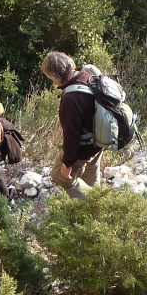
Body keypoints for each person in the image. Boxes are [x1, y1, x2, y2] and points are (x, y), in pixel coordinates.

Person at [40, 51, 103, 198]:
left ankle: (93, 203)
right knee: (91, 170)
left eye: (50, 78)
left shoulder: (71, 98)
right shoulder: (88, 73)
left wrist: (67, 164)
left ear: (55, 76)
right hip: (100, 137)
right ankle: (96, 200)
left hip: (85, 146)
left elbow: (72, 136)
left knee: (59, 176)